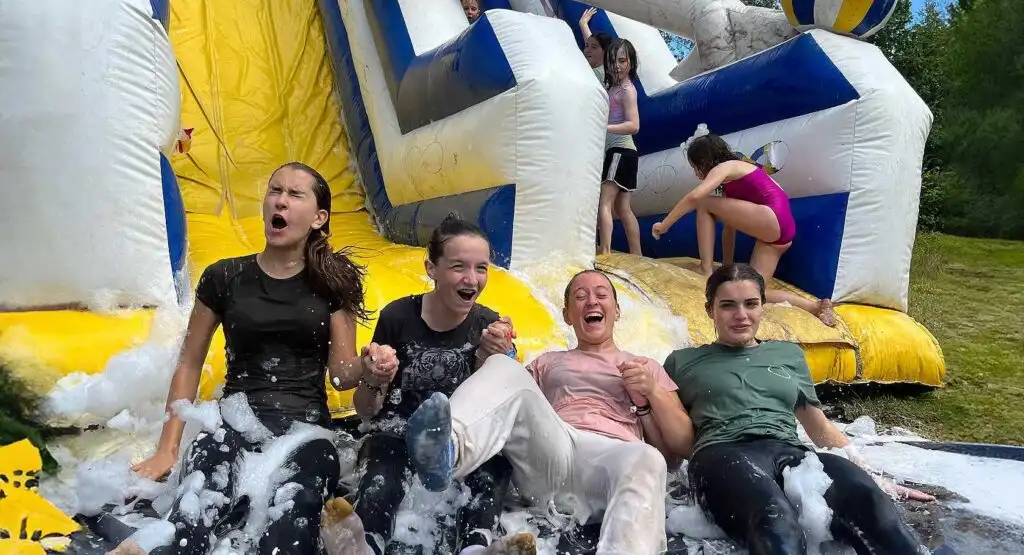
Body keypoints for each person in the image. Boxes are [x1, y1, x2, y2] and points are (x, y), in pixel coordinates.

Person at [109, 163, 399, 555]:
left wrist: (367, 367)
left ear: (319, 217)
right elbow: (189, 363)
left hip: (306, 433)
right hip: (232, 423)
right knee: (194, 511)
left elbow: (341, 375)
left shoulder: (334, 284)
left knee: (291, 522)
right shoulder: (224, 277)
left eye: (295, 194)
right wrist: (167, 449)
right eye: (275, 190)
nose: (280, 200)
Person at [401, 270, 694, 555]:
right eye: (580, 296)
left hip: (612, 463)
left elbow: (676, 453)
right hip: (553, 455)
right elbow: (505, 406)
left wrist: (650, 394)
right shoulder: (548, 361)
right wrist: (498, 352)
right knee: (502, 366)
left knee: (649, 459)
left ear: (616, 311)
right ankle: (448, 450)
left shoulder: (645, 367)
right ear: (567, 315)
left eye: (601, 294)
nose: (592, 301)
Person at [663, 263, 935, 555]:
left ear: (763, 307)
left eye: (751, 304)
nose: (741, 315)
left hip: (790, 452)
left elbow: (817, 426)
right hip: (722, 453)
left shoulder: (788, 354)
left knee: (872, 506)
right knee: (775, 521)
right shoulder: (682, 362)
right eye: (728, 305)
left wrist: (873, 475)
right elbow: (671, 434)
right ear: (710, 310)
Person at [352, 214, 534, 555]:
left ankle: (476, 546)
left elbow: (497, 407)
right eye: (458, 266)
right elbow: (366, 410)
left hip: (457, 444)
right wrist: (374, 378)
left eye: (481, 268)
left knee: (493, 467)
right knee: (383, 475)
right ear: (431, 268)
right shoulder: (397, 317)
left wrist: (496, 358)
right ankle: (367, 543)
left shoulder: (487, 324)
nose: (471, 278)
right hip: (398, 432)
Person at [652, 132, 836, 326]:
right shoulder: (736, 177)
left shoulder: (726, 167)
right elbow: (729, 229)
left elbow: (695, 197)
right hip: (780, 234)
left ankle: (705, 268)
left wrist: (664, 225)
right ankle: (815, 307)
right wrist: (726, 267)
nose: (695, 173)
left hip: (772, 218)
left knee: (704, 203)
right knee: (755, 291)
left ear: (704, 161)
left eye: (695, 167)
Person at [599, 39, 643, 257]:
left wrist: (603, 126)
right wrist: (584, 25)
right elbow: (595, 46)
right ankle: (637, 254)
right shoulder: (613, 87)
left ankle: (605, 252)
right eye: (612, 61)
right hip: (624, 153)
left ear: (631, 62)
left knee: (604, 202)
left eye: (622, 61)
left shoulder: (626, 90)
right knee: (622, 208)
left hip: (620, 151)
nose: (616, 66)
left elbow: (634, 125)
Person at [578, 7, 613, 82]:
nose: (587, 50)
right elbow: (591, 41)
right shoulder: (601, 62)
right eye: (586, 46)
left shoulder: (596, 75)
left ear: (605, 51)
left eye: (594, 47)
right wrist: (583, 24)